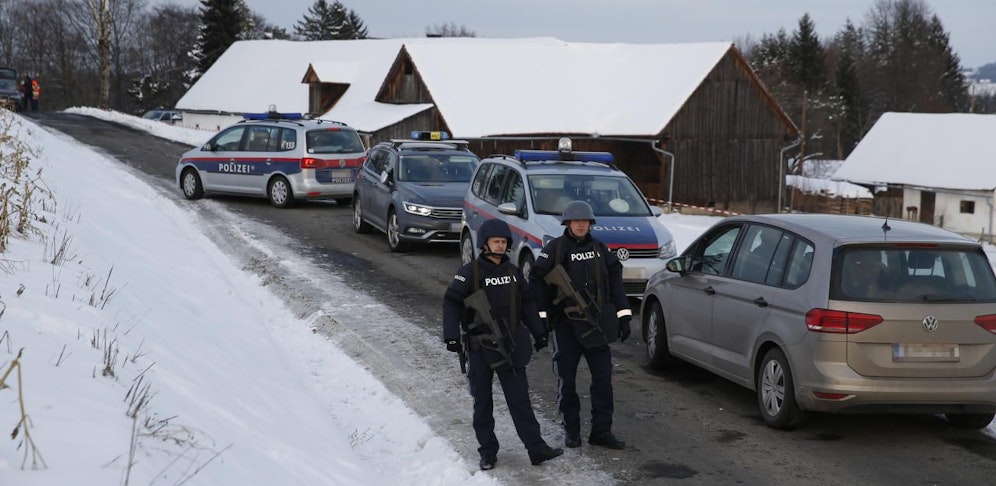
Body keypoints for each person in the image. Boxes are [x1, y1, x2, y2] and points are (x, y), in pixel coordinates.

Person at [442, 219, 564, 471]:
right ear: (484, 244)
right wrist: (451, 335)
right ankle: (487, 452)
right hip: (479, 349)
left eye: (503, 242)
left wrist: (539, 331)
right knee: (483, 402)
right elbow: (451, 302)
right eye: (495, 241)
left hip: (510, 346)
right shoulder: (469, 273)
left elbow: (528, 302)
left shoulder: (513, 271)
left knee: (520, 400)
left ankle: (536, 448)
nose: (500, 246)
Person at [530, 200, 631, 450]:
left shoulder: (599, 247)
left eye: (585, 221)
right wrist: (541, 319)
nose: (581, 225)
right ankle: (571, 430)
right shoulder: (555, 248)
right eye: (576, 222)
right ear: (568, 223)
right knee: (567, 380)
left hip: (597, 325)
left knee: (603, 380)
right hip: (566, 327)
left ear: (590, 223)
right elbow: (537, 281)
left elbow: (615, 279)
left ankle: (601, 431)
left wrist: (624, 314)